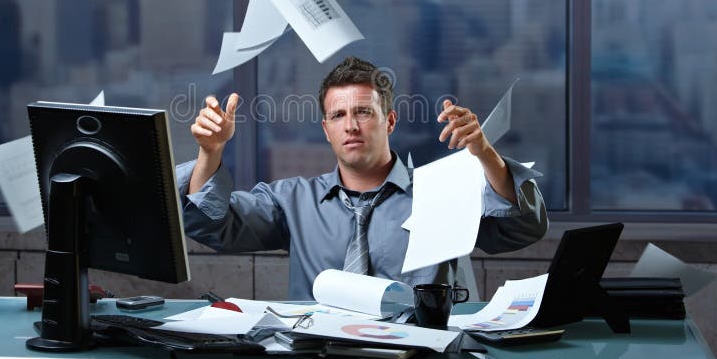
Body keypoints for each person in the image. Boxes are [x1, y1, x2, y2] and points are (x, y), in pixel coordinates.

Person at [178, 56, 548, 300]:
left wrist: (484, 152)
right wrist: (210, 153)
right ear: (325, 129)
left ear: (389, 121)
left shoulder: (439, 194)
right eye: (338, 116)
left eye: (363, 112)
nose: (351, 126)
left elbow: (523, 228)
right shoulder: (293, 201)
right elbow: (212, 225)